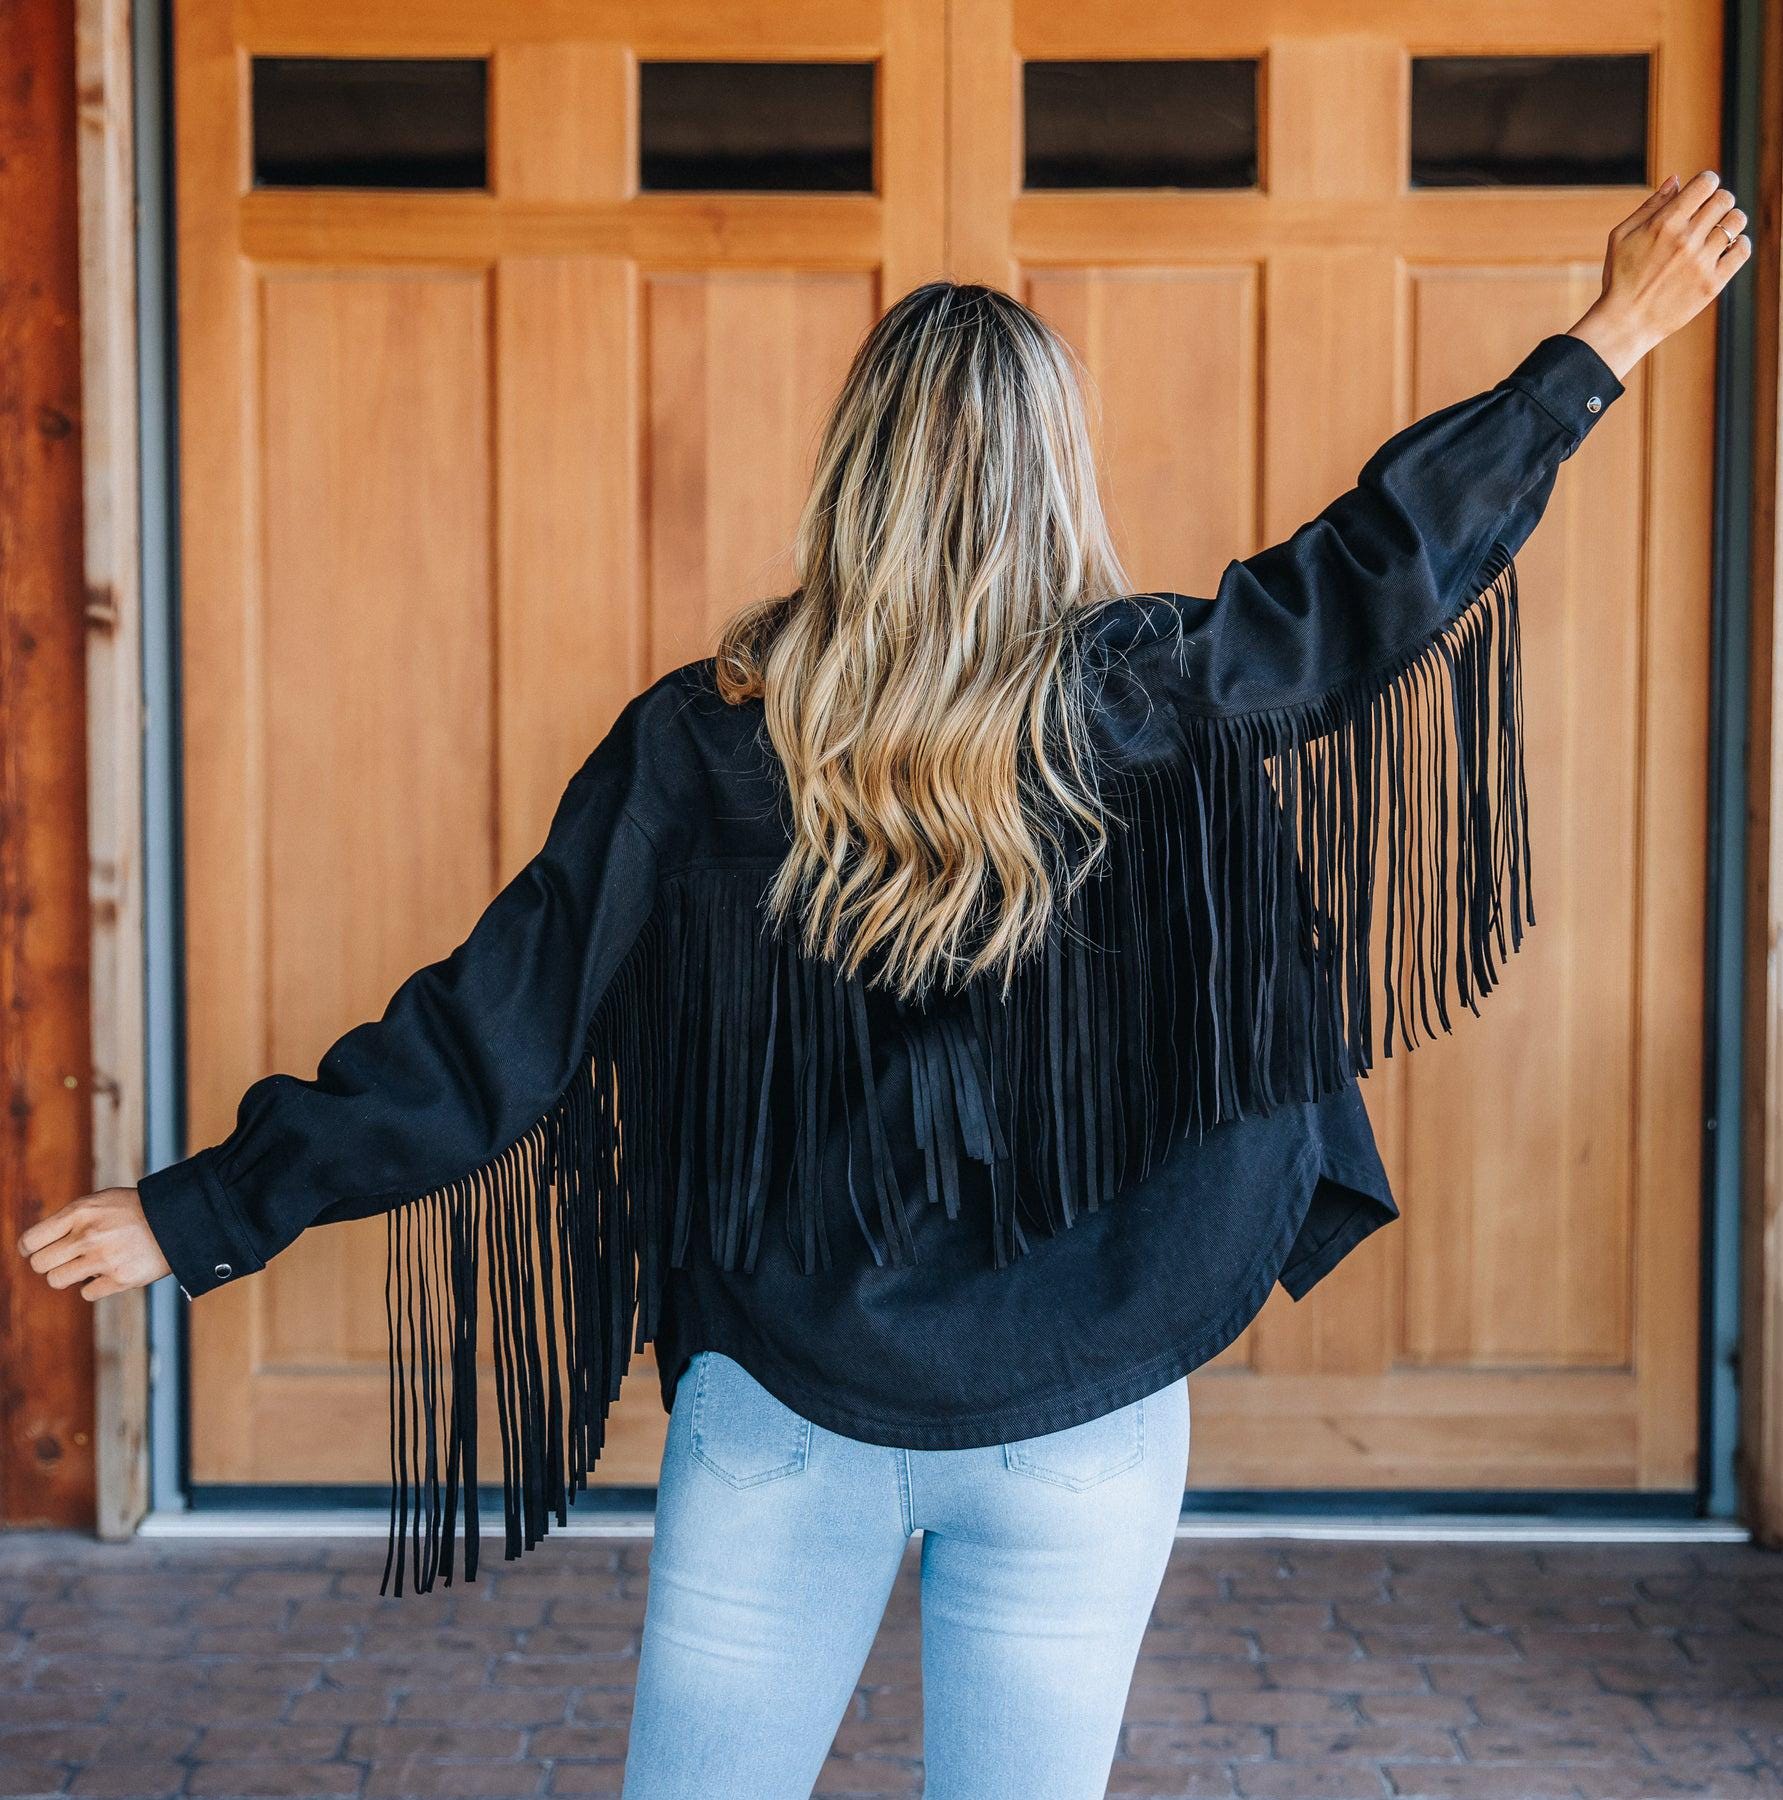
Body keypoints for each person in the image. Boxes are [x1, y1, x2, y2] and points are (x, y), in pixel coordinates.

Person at [18, 171, 1748, 1798]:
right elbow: (1383, 567)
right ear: (1056, 478)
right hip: (1080, 1419)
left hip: (785, 1412)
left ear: (849, 483)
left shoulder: (706, 747)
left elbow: (497, 1037)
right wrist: (1611, 336)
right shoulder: (1157, 698)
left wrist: (202, 1210)